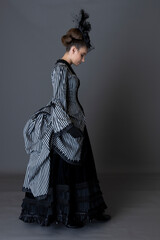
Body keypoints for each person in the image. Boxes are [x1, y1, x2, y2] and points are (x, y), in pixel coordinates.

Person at [19, 9, 111, 228]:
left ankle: (88, 210)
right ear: (72, 49)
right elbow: (58, 102)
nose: (84, 59)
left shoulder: (67, 69)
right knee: (67, 169)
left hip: (75, 124)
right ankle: (69, 214)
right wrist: (67, 128)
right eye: (82, 54)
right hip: (65, 127)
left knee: (83, 167)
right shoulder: (60, 70)